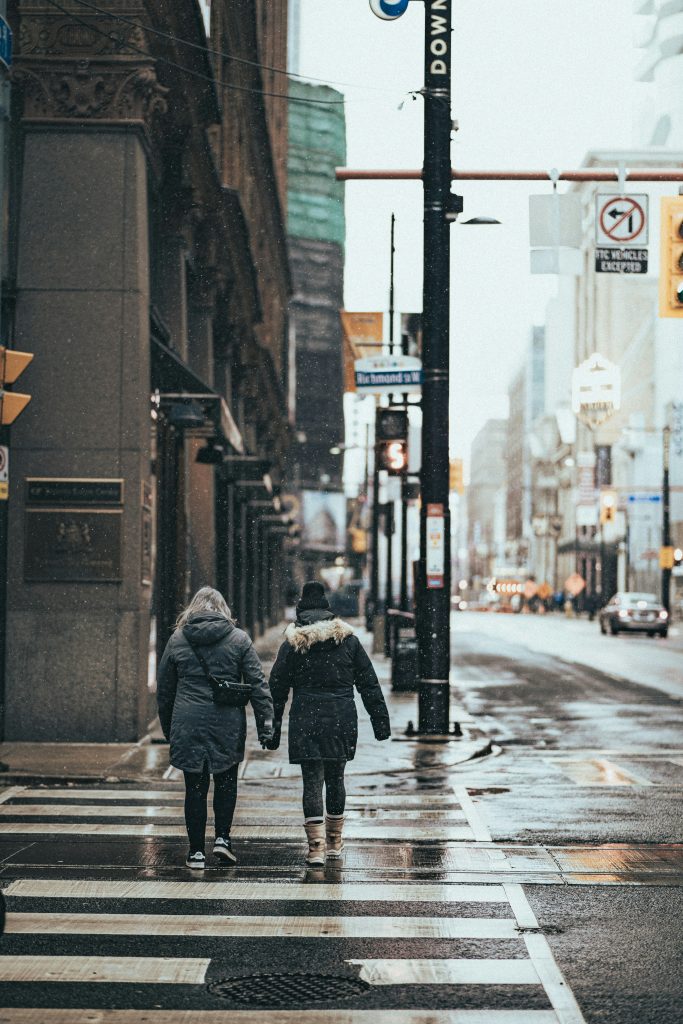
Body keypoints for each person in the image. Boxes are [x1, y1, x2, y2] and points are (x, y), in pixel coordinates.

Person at [267, 581, 391, 865]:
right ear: (328, 610)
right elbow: (369, 684)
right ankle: (335, 842)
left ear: (301, 611)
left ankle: (316, 848)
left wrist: (271, 729)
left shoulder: (293, 644)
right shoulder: (348, 641)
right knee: (336, 778)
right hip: (340, 717)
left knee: (312, 782)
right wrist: (380, 723)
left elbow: (277, 689)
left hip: (306, 718)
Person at [157, 586, 274, 869]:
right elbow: (258, 685)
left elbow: (164, 690)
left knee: (194, 787)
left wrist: (169, 727)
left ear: (192, 609)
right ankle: (222, 838)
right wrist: (266, 724)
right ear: (223, 610)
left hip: (188, 721)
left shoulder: (178, 639)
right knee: (225, 781)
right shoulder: (239, 639)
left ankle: (196, 851)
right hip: (227, 721)